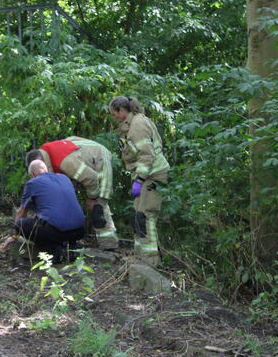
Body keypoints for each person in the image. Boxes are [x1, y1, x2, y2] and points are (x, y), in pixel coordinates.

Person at [26, 137, 119, 250]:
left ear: (41, 161)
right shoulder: (48, 154)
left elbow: (91, 178)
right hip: (84, 160)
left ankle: (109, 247)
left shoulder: (65, 161)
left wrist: (92, 198)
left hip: (99, 159)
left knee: (98, 206)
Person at [109, 95, 170, 267]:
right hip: (144, 175)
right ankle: (139, 254)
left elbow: (147, 155)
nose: (114, 118)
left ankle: (151, 261)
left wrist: (140, 179)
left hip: (153, 175)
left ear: (122, 111)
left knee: (146, 216)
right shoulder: (132, 124)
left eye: (115, 114)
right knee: (138, 215)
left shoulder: (138, 125)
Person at [14, 160, 86, 262]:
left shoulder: (32, 183)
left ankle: (55, 251)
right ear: (46, 169)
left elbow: (21, 213)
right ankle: (71, 246)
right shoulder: (64, 178)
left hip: (57, 232)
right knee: (56, 222)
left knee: (19, 224)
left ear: (32, 174)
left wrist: (14, 235)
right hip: (80, 230)